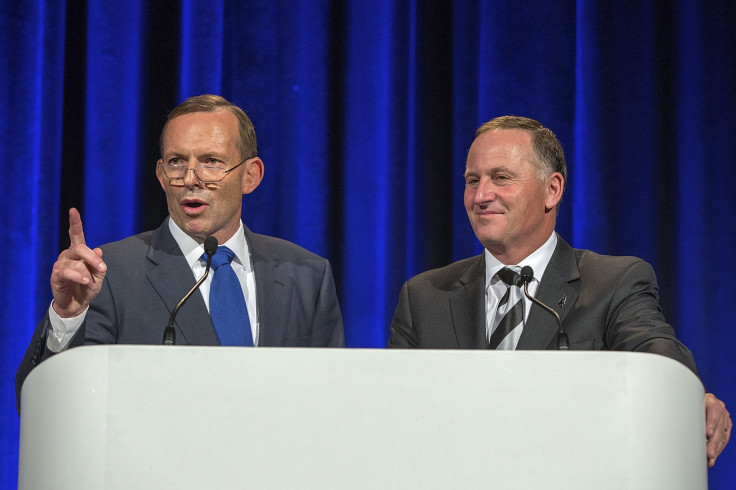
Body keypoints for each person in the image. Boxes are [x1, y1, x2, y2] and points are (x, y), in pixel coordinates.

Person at [388, 115, 731, 467]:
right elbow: (394, 414)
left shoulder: (613, 282)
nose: (480, 195)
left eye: (501, 178)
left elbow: (655, 351)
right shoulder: (425, 296)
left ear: (552, 189)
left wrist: (689, 396)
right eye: (472, 181)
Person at [16, 94, 344, 408]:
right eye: (176, 162)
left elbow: (332, 403)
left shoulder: (306, 276)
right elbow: (42, 404)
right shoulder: (108, 273)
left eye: (211, 162)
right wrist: (68, 317)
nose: (190, 179)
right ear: (161, 175)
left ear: (250, 176)